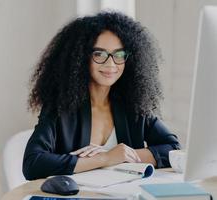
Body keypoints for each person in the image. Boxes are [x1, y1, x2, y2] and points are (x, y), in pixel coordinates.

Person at [22, 11, 181, 181]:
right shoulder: (61, 107)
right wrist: (105, 158)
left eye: (119, 55)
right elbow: (33, 164)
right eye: (99, 54)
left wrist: (125, 155)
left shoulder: (133, 105)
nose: (111, 64)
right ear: (81, 57)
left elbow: (173, 150)